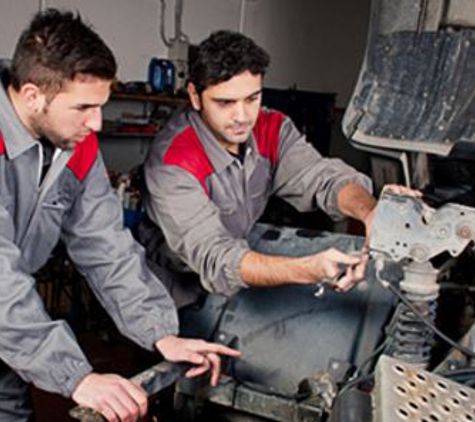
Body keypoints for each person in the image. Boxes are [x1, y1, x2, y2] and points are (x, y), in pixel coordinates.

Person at [0, 10, 241, 422]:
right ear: (31, 94)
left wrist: (161, 333)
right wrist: (76, 376)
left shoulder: (78, 146)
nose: (96, 123)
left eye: (101, 106)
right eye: (84, 107)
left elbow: (105, 246)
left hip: (11, 332)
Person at [138, 30, 419, 308]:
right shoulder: (173, 161)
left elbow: (323, 179)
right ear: (195, 96)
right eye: (225, 103)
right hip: (169, 294)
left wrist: (369, 211)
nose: (242, 116)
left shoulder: (271, 128)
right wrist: (306, 270)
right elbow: (216, 257)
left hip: (233, 281)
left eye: (252, 99)